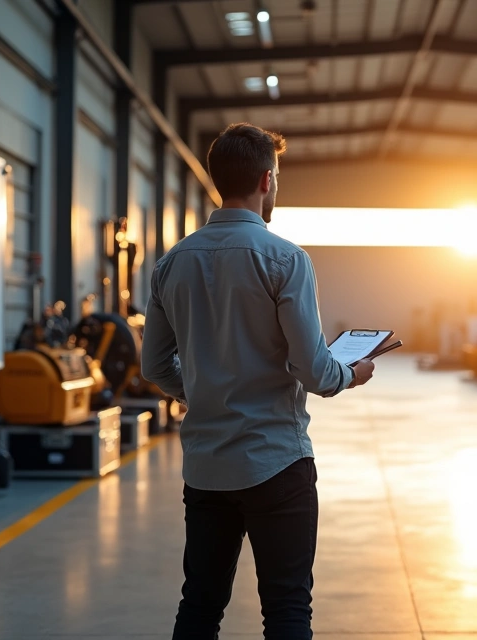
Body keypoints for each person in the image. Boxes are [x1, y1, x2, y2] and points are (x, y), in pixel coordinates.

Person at [140, 122, 375, 640]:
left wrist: (202, 391)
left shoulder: (170, 265)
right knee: (287, 609)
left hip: (207, 467)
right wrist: (351, 374)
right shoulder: (286, 259)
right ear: (267, 180)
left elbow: (154, 366)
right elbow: (314, 370)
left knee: (199, 606)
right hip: (277, 462)